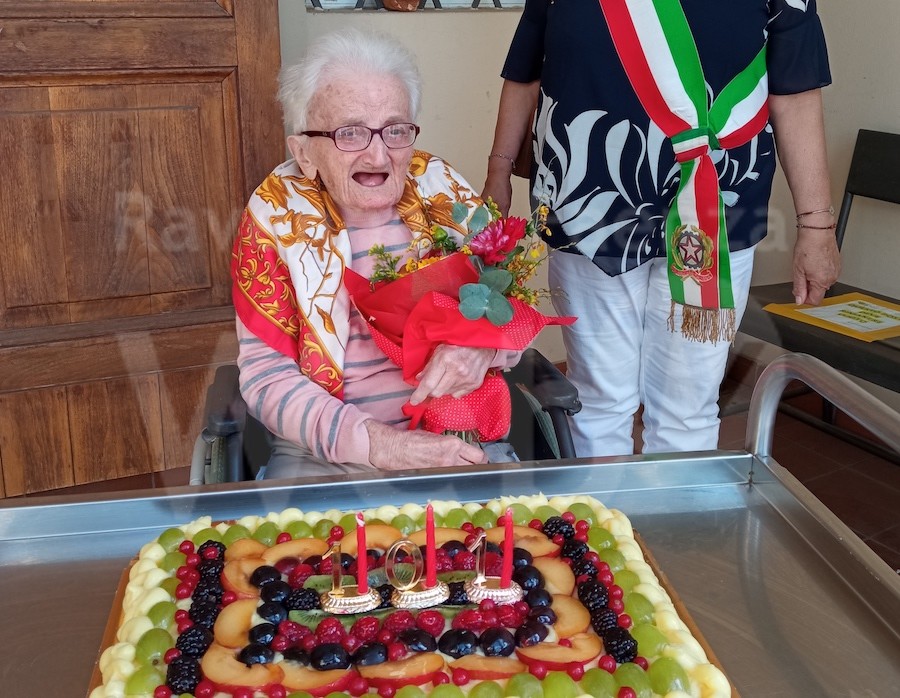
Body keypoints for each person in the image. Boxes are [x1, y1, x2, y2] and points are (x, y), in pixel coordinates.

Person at [482, 0, 841, 457]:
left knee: (688, 408)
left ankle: (679, 507)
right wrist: (498, 171)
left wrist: (816, 226)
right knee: (598, 399)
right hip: (589, 204)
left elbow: (796, 89)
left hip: (718, 210)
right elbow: (526, 70)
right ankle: (602, 507)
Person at [232, 29, 519, 478]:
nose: (378, 155)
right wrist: (377, 444)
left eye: (396, 130)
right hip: (327, 452)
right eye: (350, 133)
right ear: (304, 153)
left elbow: (512, 311)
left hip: (460, 431)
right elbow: (267, 377)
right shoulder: (275, 219)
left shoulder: (443, 193)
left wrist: (482, 350)